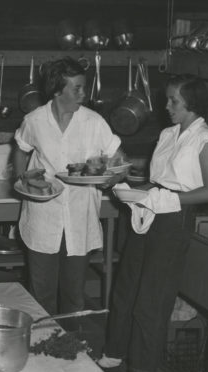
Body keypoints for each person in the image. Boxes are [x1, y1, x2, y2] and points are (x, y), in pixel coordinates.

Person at [98, 74, 208, 372]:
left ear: (192, 104)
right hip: (150, 210)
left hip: (174, 218)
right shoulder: (169, 133)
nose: (166, 107)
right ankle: (112, 356)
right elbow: (159, 179)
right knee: (126, 288)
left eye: (173, 102)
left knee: (151, 300)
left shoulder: (205, 140)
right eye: (168, 100)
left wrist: (168, 201)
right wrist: (133, 187)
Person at [13, 57, 124, 316]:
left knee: (74, 296)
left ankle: (72, 351)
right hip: (43, 217)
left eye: (84, 87)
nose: (83, 94)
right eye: (77, 88)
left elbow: (119, 159)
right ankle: (41, 348)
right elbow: (20, 150)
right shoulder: (34, 120)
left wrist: (115, 176)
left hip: (79, 217)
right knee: (41, 295)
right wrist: (23, 178)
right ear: (57, 90)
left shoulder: (94, 122)